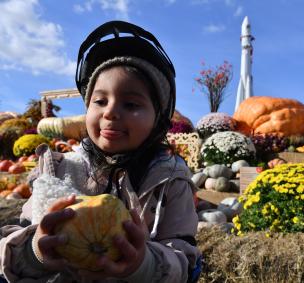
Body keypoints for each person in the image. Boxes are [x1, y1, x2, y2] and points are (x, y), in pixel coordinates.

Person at [0, 20, 201, 283]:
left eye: (130, 104)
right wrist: (35, 250)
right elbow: (10, 250)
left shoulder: (170, 180)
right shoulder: (58, 170)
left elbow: (184, 259)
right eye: (100, 101)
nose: (110, 112)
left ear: (158, 120)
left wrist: (143, 265)